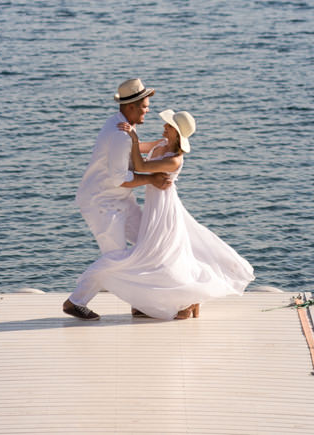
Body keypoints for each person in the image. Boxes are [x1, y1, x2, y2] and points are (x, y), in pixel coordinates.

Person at [64, 108, 255, 321]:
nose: (164, 126)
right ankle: (161, 302)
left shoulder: (175, 160)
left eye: (169, 125)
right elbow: (135, 149)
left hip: (164, 208)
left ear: (177, 133)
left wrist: (133, 138)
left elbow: (140, 165)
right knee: (155, 255)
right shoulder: (161, 144)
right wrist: (125, 139)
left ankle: (189, 298)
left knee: (161, 255)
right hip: (152, 206)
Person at [62, 79, 173, 321]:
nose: (148, 110)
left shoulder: (121, 124)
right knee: (115, 258)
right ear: (131, 106)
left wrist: (157, 145)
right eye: (144, 106)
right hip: (101, 204)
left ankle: (139, 303)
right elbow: (119, 178)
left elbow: (132, 148)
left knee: (149, 241)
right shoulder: (120, 134)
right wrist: (152, 179)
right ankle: (75, 301)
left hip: (121, 199)